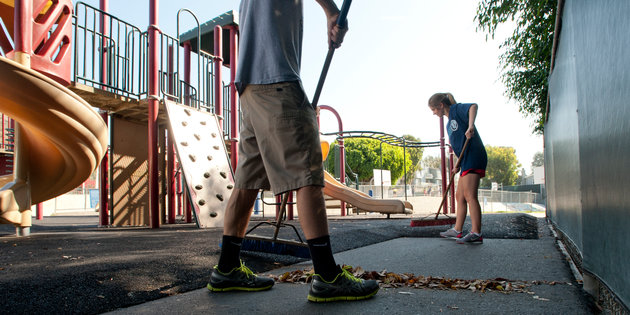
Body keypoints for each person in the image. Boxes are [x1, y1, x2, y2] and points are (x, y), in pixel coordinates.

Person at [207, 0, 380, 302]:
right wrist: (331, 11)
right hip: (276, 79)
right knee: (308, 175)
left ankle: (227, 268)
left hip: (249, 86)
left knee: (247, 181)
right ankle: (327, 276)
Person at [428, 93, 487, 244]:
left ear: (441, 105)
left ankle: (476, 232)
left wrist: (471, 125)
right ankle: (457, 230)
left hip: (474, 155)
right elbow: (459, 146)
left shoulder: (456, 109)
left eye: (434, 109)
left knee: (469, 195)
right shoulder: (448, 124)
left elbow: (473, 106)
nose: (433, 113)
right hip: (465, 159)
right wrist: (457, 165)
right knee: (459, 196)